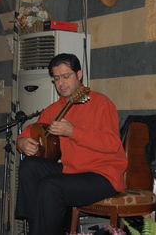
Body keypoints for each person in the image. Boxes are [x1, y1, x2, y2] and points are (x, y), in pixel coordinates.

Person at [15, 53, 128, 235]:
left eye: (66, 76)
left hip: (102, 176)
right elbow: (28, 133)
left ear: (79, 74)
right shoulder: (54, 109)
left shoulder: (101, 103)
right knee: (29, 166)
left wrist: (73, 132)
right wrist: (22, 142)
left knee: (50, 186)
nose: (61, 83)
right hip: (71, 172)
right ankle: (37, 227)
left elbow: (112, 144)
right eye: (56, 78)